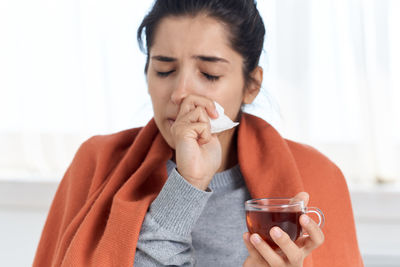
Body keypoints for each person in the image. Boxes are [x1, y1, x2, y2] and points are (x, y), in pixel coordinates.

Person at [33, 0, 364, 266]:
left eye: (209, 73)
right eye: (164, 69)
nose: (180, 92)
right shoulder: (97, 164)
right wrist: (188, 185)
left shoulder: (317, 177)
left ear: (251, 85)